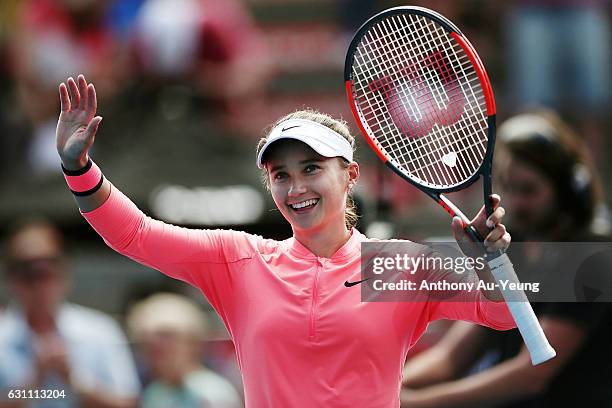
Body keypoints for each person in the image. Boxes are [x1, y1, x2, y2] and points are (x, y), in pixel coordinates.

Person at [55, 74, 516, 407]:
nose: (295, 188)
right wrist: (79, 170)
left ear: (350, 174)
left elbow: (502, 315)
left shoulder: (397, 265)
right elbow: (134, 234)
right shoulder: (239, 258)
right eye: (281, 175)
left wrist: (492, 263)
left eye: (311, 169)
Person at [400, 110, 612, 407]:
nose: (515, 203)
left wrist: (411, 403)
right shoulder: (516, 243)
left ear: (567, 189)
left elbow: (531, 375)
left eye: (529, 190)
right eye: (509, 188)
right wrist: (388, 386)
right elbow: (451, 357)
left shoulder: (595, 257)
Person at [0, 218, 140, 408]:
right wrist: (34, 380)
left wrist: (73, 379)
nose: (38, 283)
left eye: (48, 269)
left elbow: (128, 403)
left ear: (64, 272)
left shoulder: (100, 331)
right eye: (26, 271)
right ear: (11, 278)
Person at [126, 293, 242, 408]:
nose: (159, 348)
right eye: (149, 347)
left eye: (169, 341)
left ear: (192, 342)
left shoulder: (213, 393)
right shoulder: (154, 393)